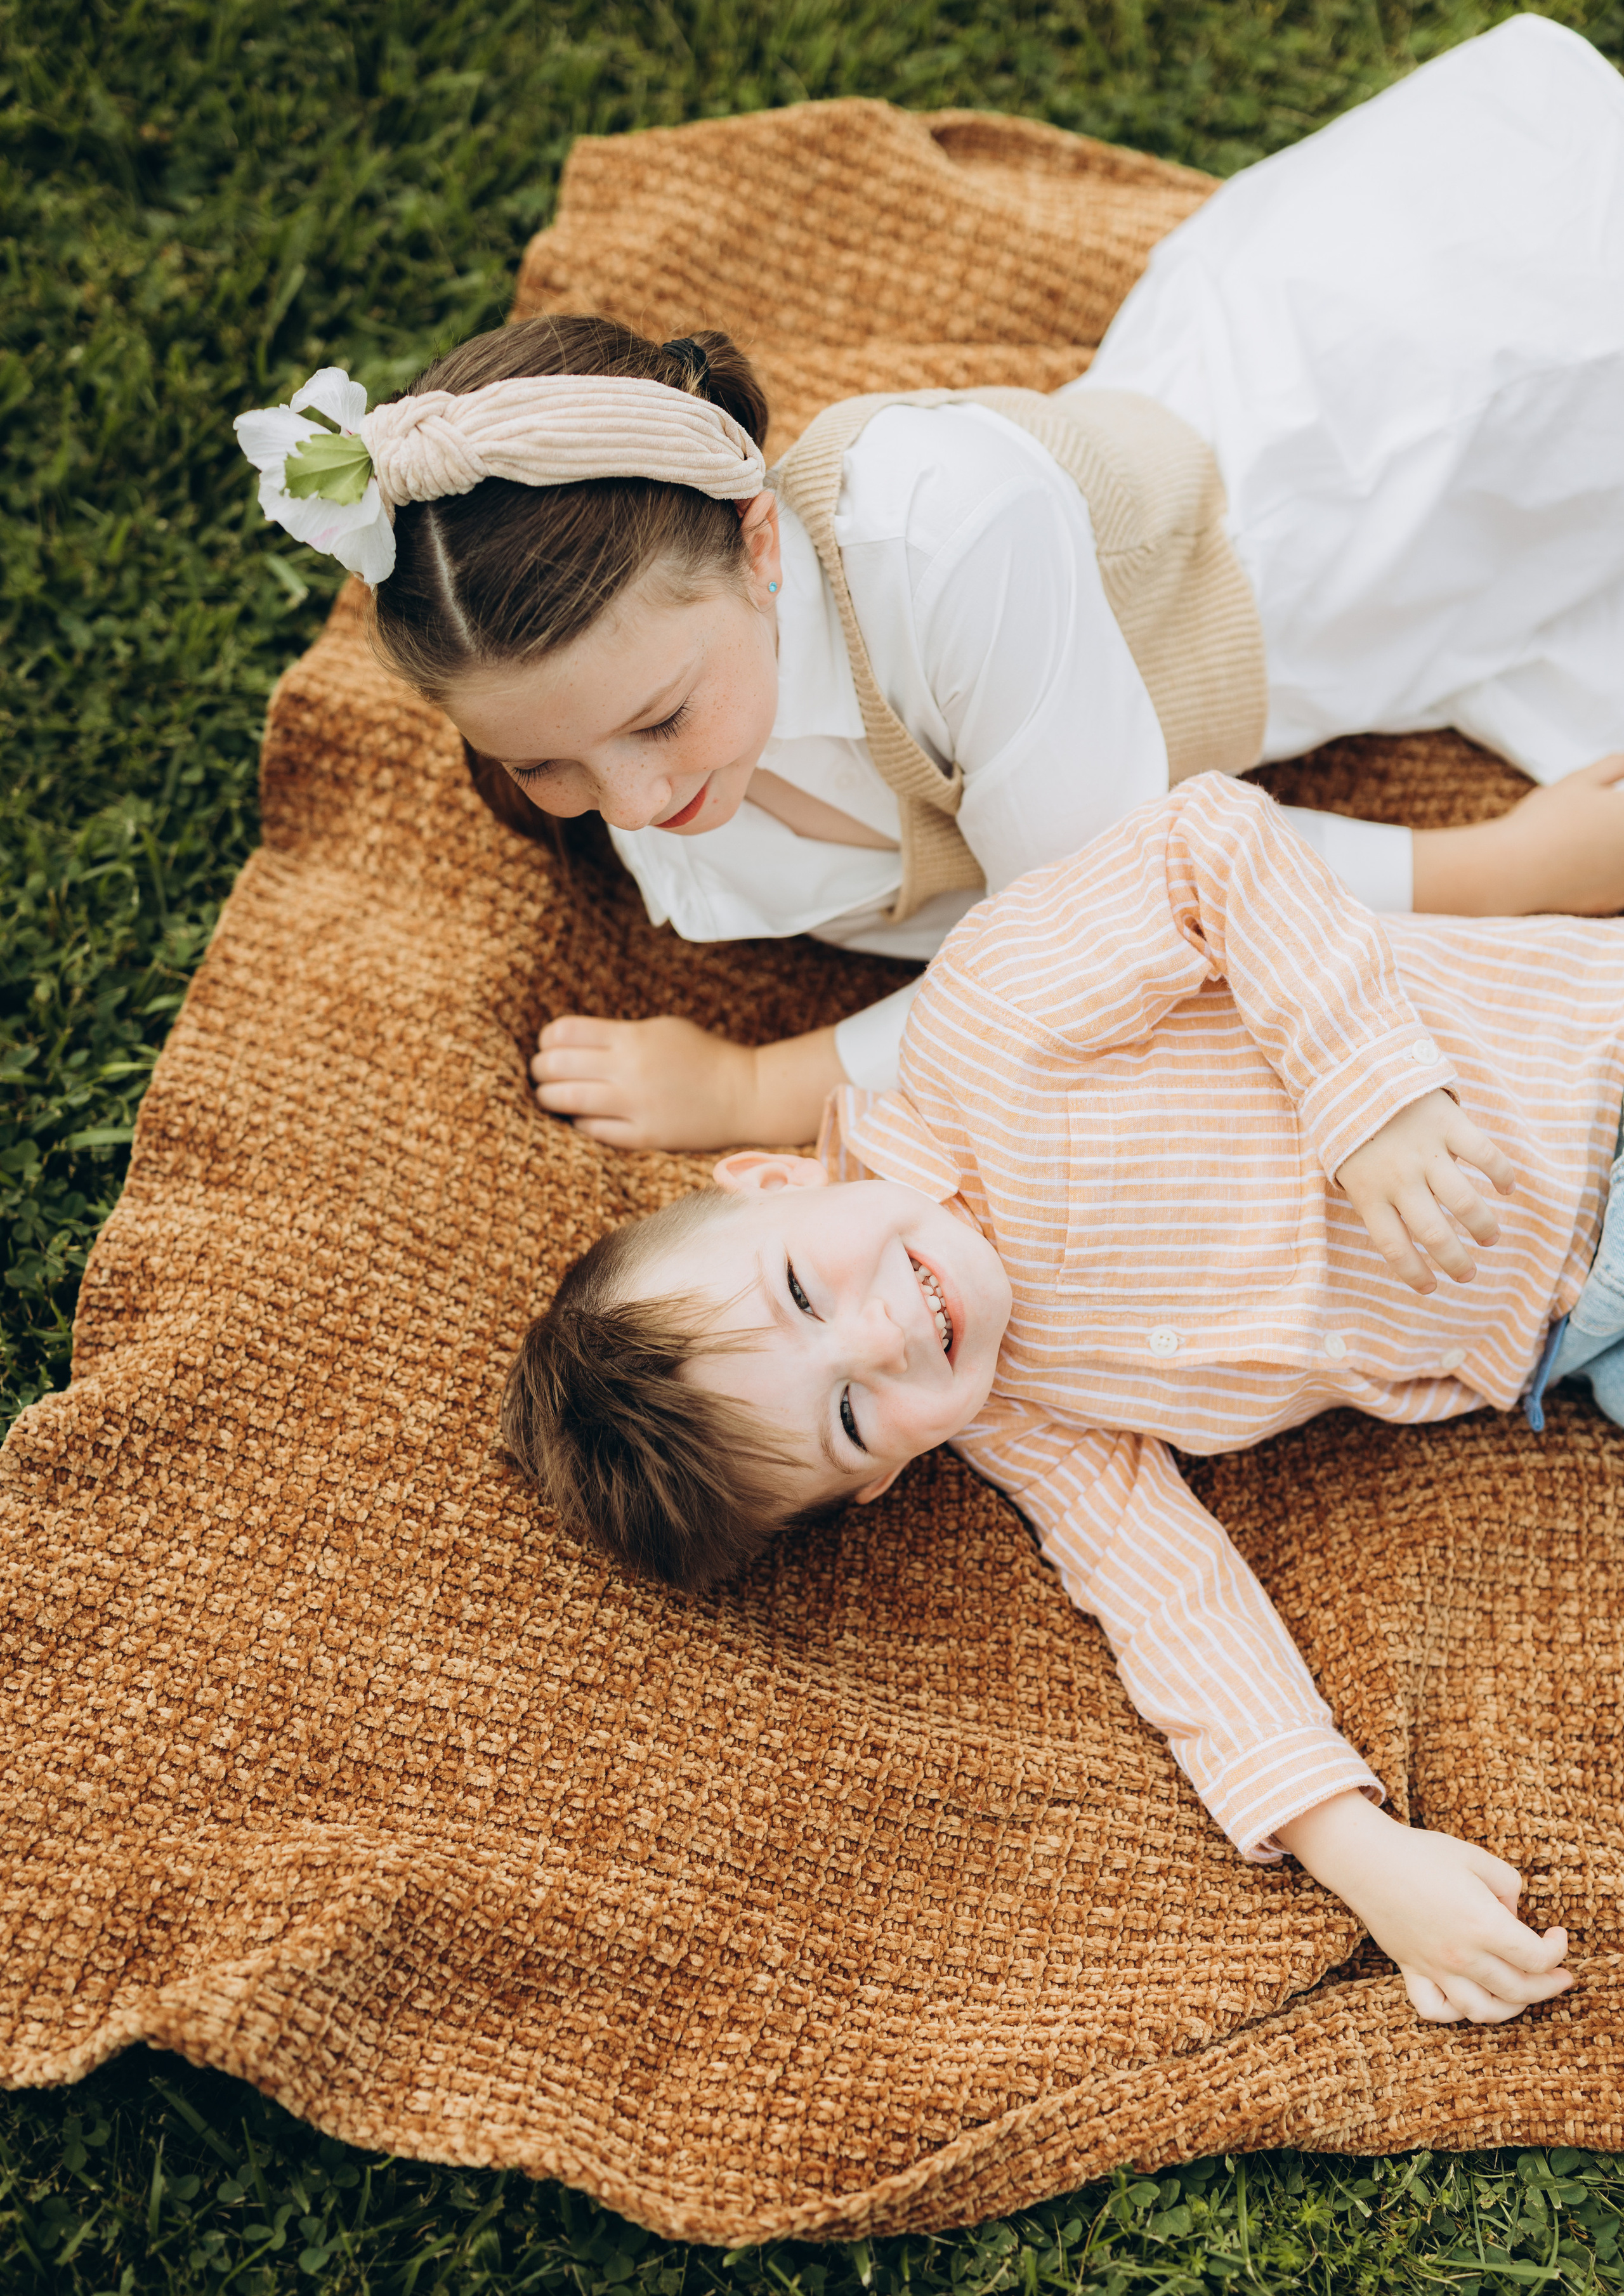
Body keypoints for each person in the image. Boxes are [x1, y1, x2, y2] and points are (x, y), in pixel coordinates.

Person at [235, 11, 1624, 1153]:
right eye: (548, 767)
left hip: (1363, 488)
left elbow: (1105, 933)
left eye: (661, 720)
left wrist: (759, 1092)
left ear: (760, 547)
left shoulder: (954, 544)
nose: (638, 805)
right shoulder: (591, 719)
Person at [499, 769, 1624, 2027]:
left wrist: (1364, 1096)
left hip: (1582, 1072)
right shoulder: (1018, 1416)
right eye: (851, 1415)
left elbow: (1205, 843)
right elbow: (1163, 1591)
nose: (884, 1333)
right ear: (879, 1478)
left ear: (772, 1179)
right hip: (1568, 1338)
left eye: (804, 1295)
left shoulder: (986, 1026)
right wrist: (1353, 1853)